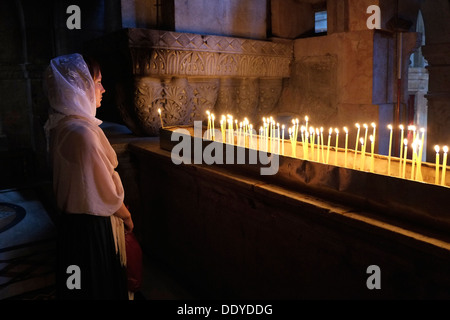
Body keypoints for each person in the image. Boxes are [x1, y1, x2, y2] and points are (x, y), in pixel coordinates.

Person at [44, 53, 133, 299]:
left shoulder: (63, 125)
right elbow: (105, 192)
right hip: (92, 227)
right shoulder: (83, 133)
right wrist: (126, 216)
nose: (103, 89)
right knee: (98, 284)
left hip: (71, 228)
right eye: (97, 82)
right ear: (79, 86)